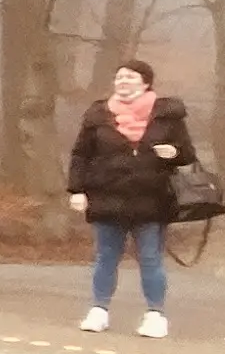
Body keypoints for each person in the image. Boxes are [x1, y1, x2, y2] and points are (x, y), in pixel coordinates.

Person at [66, 56, 197, 337]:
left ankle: (155, 315)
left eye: (130, 77)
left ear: (145, 83)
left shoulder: (167, 114)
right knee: (106, 257)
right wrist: (76, 190)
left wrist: (173, 153)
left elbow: (187, 153)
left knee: (150, 257)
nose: (123, 82)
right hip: (106, 196)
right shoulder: (98, 115)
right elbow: (80, 154)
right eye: (119, 77)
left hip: (152, 197)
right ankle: (99, 310)